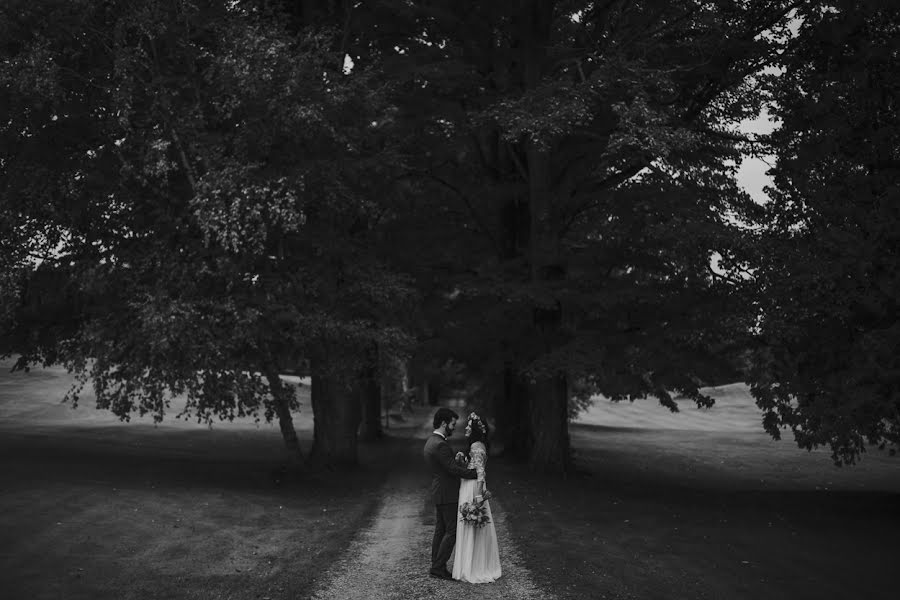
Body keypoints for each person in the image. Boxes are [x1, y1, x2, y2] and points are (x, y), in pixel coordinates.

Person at [423, 407, 478, 580]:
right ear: (444, 423)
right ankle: (438, 567)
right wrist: (475, 473)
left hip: (440, 491)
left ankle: (435, 564)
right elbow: (452, 469)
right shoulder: (440, 444)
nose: (454, 427)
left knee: (440, 530)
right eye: (453, 424)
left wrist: (457, 461)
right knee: (452, 531)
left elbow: (446, 466)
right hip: (447, 493)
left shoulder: (431, 441)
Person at [452, 412, 501, 583]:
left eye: (468, 426)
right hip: (468, 485)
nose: (465, 427)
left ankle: (473, 567)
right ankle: (469, 565)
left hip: (473, 488)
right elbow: (472, 467)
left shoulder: (477, 446)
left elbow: (480, 473)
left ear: (474, 430)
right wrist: (462, 459)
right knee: (470, 524)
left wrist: (478, 496)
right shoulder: (474, 445)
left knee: (472, 524)